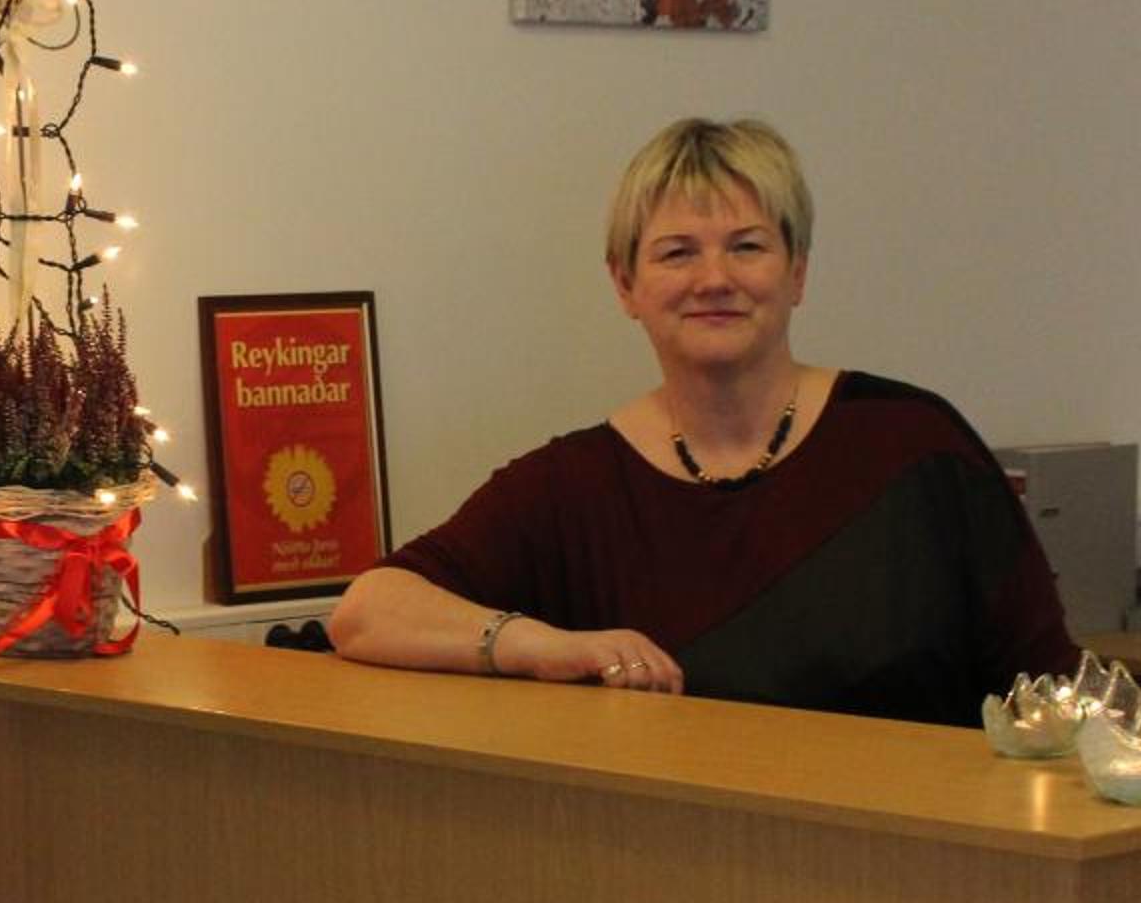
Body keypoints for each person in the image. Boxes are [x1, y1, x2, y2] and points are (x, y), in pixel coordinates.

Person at [327, 115, 1078, 724]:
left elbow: (1053, 690)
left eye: (747, 247)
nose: (714, 279)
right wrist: (539, 645)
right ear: (625, 284)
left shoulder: (914, 446)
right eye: (677, 253)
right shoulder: (574, 488)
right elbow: (367, 612)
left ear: (797, 272)